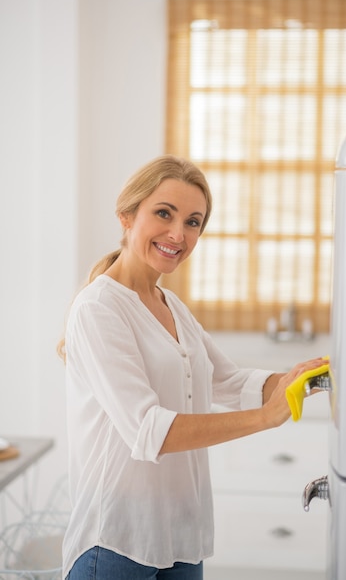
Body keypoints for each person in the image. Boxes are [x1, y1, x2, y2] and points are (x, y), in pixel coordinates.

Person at [59, 155, 326, 580]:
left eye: (193, 221)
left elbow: (230, 381)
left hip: (181, 537)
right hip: (117, 541)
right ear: (127, 215)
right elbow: (147, 430)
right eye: (164, 213)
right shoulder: (99, 309)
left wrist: (308, 379)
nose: (178, 233)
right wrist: (262, 419)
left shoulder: (173, 307)